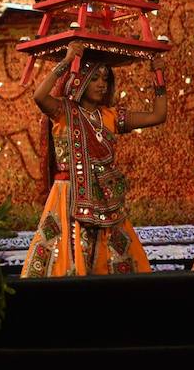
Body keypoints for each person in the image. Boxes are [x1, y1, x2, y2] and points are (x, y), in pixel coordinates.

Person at [21, 42, 167, 277]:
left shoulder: (110, 116)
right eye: (95, 78)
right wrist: (67, 62)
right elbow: (39, 96)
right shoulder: (63, 111)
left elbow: (158, 115)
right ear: (81, 80)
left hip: (106, 202)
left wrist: (158, 77)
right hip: (68, 197)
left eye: (105, 79)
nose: (102, 84)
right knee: (67, 261)